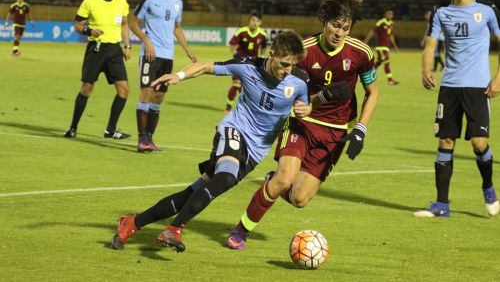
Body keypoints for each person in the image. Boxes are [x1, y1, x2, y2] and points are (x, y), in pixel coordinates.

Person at [110, 31, 350, 252]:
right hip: (234, 131)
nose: (287, 71)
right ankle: (174, 230)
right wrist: (179, 75)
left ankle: (131, 223)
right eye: (284, 64)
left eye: (293, 66)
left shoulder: (299, 80)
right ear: (272, 54)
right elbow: (206, 66)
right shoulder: (248, 66)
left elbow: (305, 106)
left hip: (255, 151)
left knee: (190, 194)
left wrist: (312, 104)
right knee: (225, 177)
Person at [226, 0, 379, 250]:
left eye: (346, 27)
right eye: (335, 25)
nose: (339, 32)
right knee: (284, 180)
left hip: (335, 133)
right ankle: (240, 232)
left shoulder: (361, 53)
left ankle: (270, 182)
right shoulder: (305, 50)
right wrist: (307, 105)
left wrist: (361, 128)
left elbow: (372, 92)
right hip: (302, 124)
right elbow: (291, 93)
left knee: (298, 199)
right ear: (325, 22)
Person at [415, 0, 500, 218]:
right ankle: (442, 204)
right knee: (445, 143)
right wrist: (426, 69)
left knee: (479, 143)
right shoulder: (440, 10)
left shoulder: (488, 9)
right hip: (450, 87)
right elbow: (430, 44)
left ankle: (488, 188)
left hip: (478, 88)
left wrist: (498, 78)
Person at [129, 0, 197, 152]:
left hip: (168, 57)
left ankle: (150, 139)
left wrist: (187, 49)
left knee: (158, 97)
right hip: (150, 55)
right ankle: (141, 139)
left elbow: (177, 28)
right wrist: (146, 41)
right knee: (146, 92)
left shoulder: (178, 4)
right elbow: (132, 21)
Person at [64, 0, 132, 139]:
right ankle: (73, 128)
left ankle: (110, 130)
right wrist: (89, 31)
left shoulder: (121, 1)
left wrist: (127, 46)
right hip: (96, 49)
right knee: (87, 88)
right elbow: (77, 25)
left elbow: (124, 24)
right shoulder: (89, 1)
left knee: (124, 90)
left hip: (115, 51)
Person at [224, 10, 268, 113]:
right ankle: (228, 106)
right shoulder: (242, 31)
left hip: (252, 65)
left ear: (260, 23)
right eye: (253, 20)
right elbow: (231, 44)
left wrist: (262, 56)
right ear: (249, 21)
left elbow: (264, 47)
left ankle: (244, 108)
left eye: (257, 21)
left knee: (247, 88)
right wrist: (234, 53)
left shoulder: (263, 35)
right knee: (236, 84)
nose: (254, 22)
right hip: (239, 62)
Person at [364, 8, 399, 85]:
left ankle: (367, 76)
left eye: (392, 14)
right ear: (385, 14)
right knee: (387, 62)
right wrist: (366, 41)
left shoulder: (391, 24)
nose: (390, 15)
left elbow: (391, 36)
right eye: (389, 13)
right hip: (381, 47)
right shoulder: (381, 22)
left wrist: (395, 46)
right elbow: (372, 31)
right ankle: (390, 80)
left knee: (379, 62)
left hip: (386, 47)